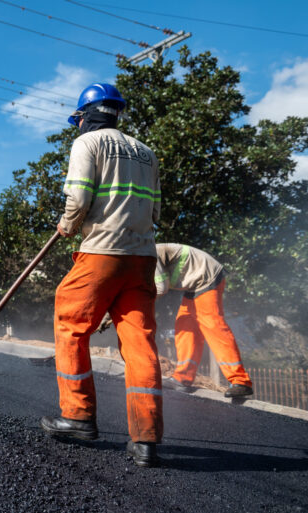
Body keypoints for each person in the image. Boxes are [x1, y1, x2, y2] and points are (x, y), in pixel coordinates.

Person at [41, 83, 163, 468]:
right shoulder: (147, 152)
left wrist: (68, 225)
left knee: (70, 323)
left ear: (86, 115)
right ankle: (146, 440)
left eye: (78, 118)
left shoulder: (88, 144)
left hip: (102, 252)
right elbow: (156, 210)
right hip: (142, 257)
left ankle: (77, 416)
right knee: (140, 344)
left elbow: (78, 198)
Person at [155, 243, 253, 398]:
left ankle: (241, 381)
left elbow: (161, 288)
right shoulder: (140, 256)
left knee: (213, 325)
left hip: (207, 277)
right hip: (195, 283)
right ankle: (183, 378)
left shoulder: (148, 255)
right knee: (185, 325)